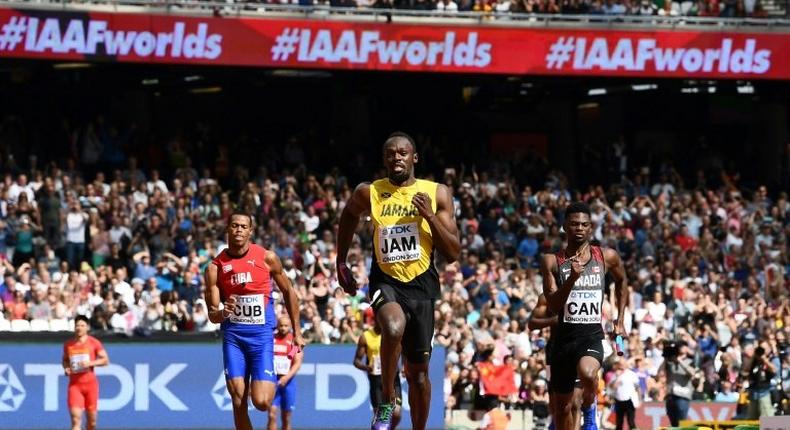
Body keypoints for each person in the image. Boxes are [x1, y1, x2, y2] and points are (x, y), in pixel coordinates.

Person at [336, 132, 461, 430]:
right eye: (391, 153)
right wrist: (341, 260)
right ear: (384, 159)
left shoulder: (437, 193)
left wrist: (429, 216)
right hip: (385, 280)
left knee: (418, 375)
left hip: (422, 286)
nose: (397, 158)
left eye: (403, 153)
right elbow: (348, 216)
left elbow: (453, 252)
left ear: (414, 157)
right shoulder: (369, 192)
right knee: (392, 327)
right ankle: (387, 400)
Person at [205, 212, 305, 430]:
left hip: (261, 339)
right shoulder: (215, 268)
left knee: (261, 402)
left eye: (243, 226)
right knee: (238, 398)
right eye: (234, 225)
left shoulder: (266, 258)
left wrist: (297, 331)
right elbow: (212, 314)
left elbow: (289, 292)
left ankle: (257, 380)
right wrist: (223, 312)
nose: (239, 230)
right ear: (228, 229)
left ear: (250, 231)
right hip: (234, 339)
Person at [542, 201, 628, 430]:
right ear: (564, 226)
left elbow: (622, 281)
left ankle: (591, 407)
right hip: (563, 342)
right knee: (563, 409)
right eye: (574, 224)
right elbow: (553, 304)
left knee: (589, 373)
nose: (579, 228)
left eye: (584, 224)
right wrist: (571, 279)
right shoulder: (552, 261)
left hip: (591, 336)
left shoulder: (606, 257)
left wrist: (619, 321)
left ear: (590, 228)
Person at [528, 294, 581, 430]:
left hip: (578, 347)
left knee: (574, 401)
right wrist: (556, 320)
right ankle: (555, 424)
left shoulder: (584, 292)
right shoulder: (545, 297)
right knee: (554, 397)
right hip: (553, 351)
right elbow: (532, 323)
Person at [353, 312, 403, 429]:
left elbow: (404, 350)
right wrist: (367, 367)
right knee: (381, 417)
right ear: (376, 320)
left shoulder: (392, 333)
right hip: (377, 380)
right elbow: (356, 361)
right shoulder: (366, 337)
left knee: (396, 413)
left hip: (393, 379)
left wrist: (404, 365)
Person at [62, 314, 109, 430]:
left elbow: (105, 360)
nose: (79, 328)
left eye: (82, 325)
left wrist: (90, 363)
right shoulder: (68, 345)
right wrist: (66, 368)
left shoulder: (94, 343)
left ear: (87, 327)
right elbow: (65, 360)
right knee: (75, 419)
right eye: (77, 325)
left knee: (92, 422)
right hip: (75, 386)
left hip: (90, 386)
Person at [268, 315, 304, 430]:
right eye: (281, 325)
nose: (283, 328)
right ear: (277, 325)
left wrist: (286, 378)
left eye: (286, 326)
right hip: (272, 381)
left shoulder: (294, 341)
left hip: (288, 383)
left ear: (290, 326)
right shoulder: (271, 339)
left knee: (286, 417)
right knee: (271, 414)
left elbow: (297, 362)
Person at [659, 341, 696, 427]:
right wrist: (665, 359)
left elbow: (692, 373)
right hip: (670, 395)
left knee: (682, 423)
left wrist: (680, 361)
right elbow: (660, 373)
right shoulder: (669, 362)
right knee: (673, 423)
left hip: (682, 395)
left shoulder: (689, 361)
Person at [609, 358, 640, 430]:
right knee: (619, 423)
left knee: (631, 422)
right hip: (619, 401)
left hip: (629, 400)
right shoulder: (616, 374)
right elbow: (611, 387)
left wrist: (639, 399)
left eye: (623, 364)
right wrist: (617, 377)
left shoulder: (631, 374)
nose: (621, 366)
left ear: (626, 364)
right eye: (620, 364)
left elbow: (638, 387)